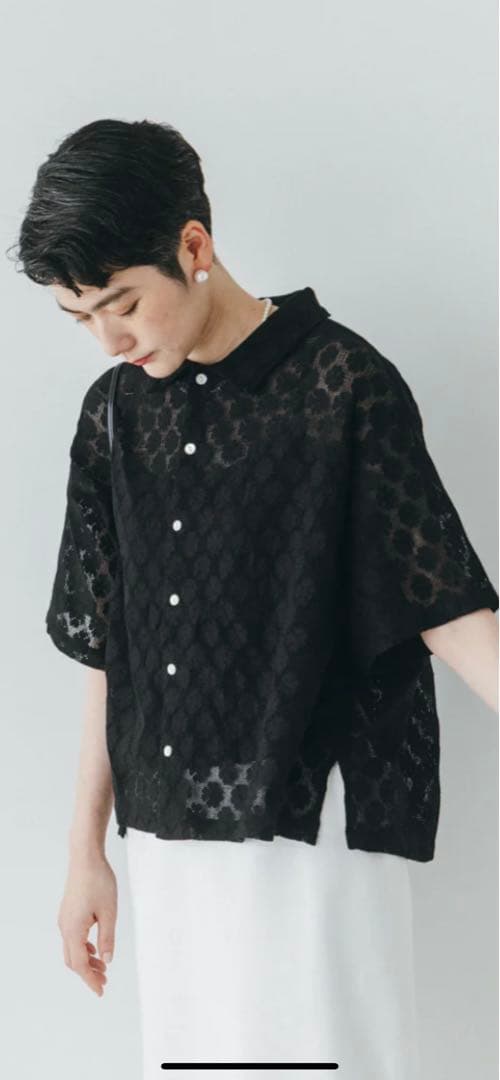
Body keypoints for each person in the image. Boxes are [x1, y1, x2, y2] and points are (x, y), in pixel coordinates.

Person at [12, 118, 498, 1078]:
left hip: (312, 824)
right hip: (167, 836)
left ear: (193, 246)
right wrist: (84, 856)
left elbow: (443, 605)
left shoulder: (341, 385)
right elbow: (112, 648)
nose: (108, 339)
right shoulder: (113, 416)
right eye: (80, 318)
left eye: (122, 303)